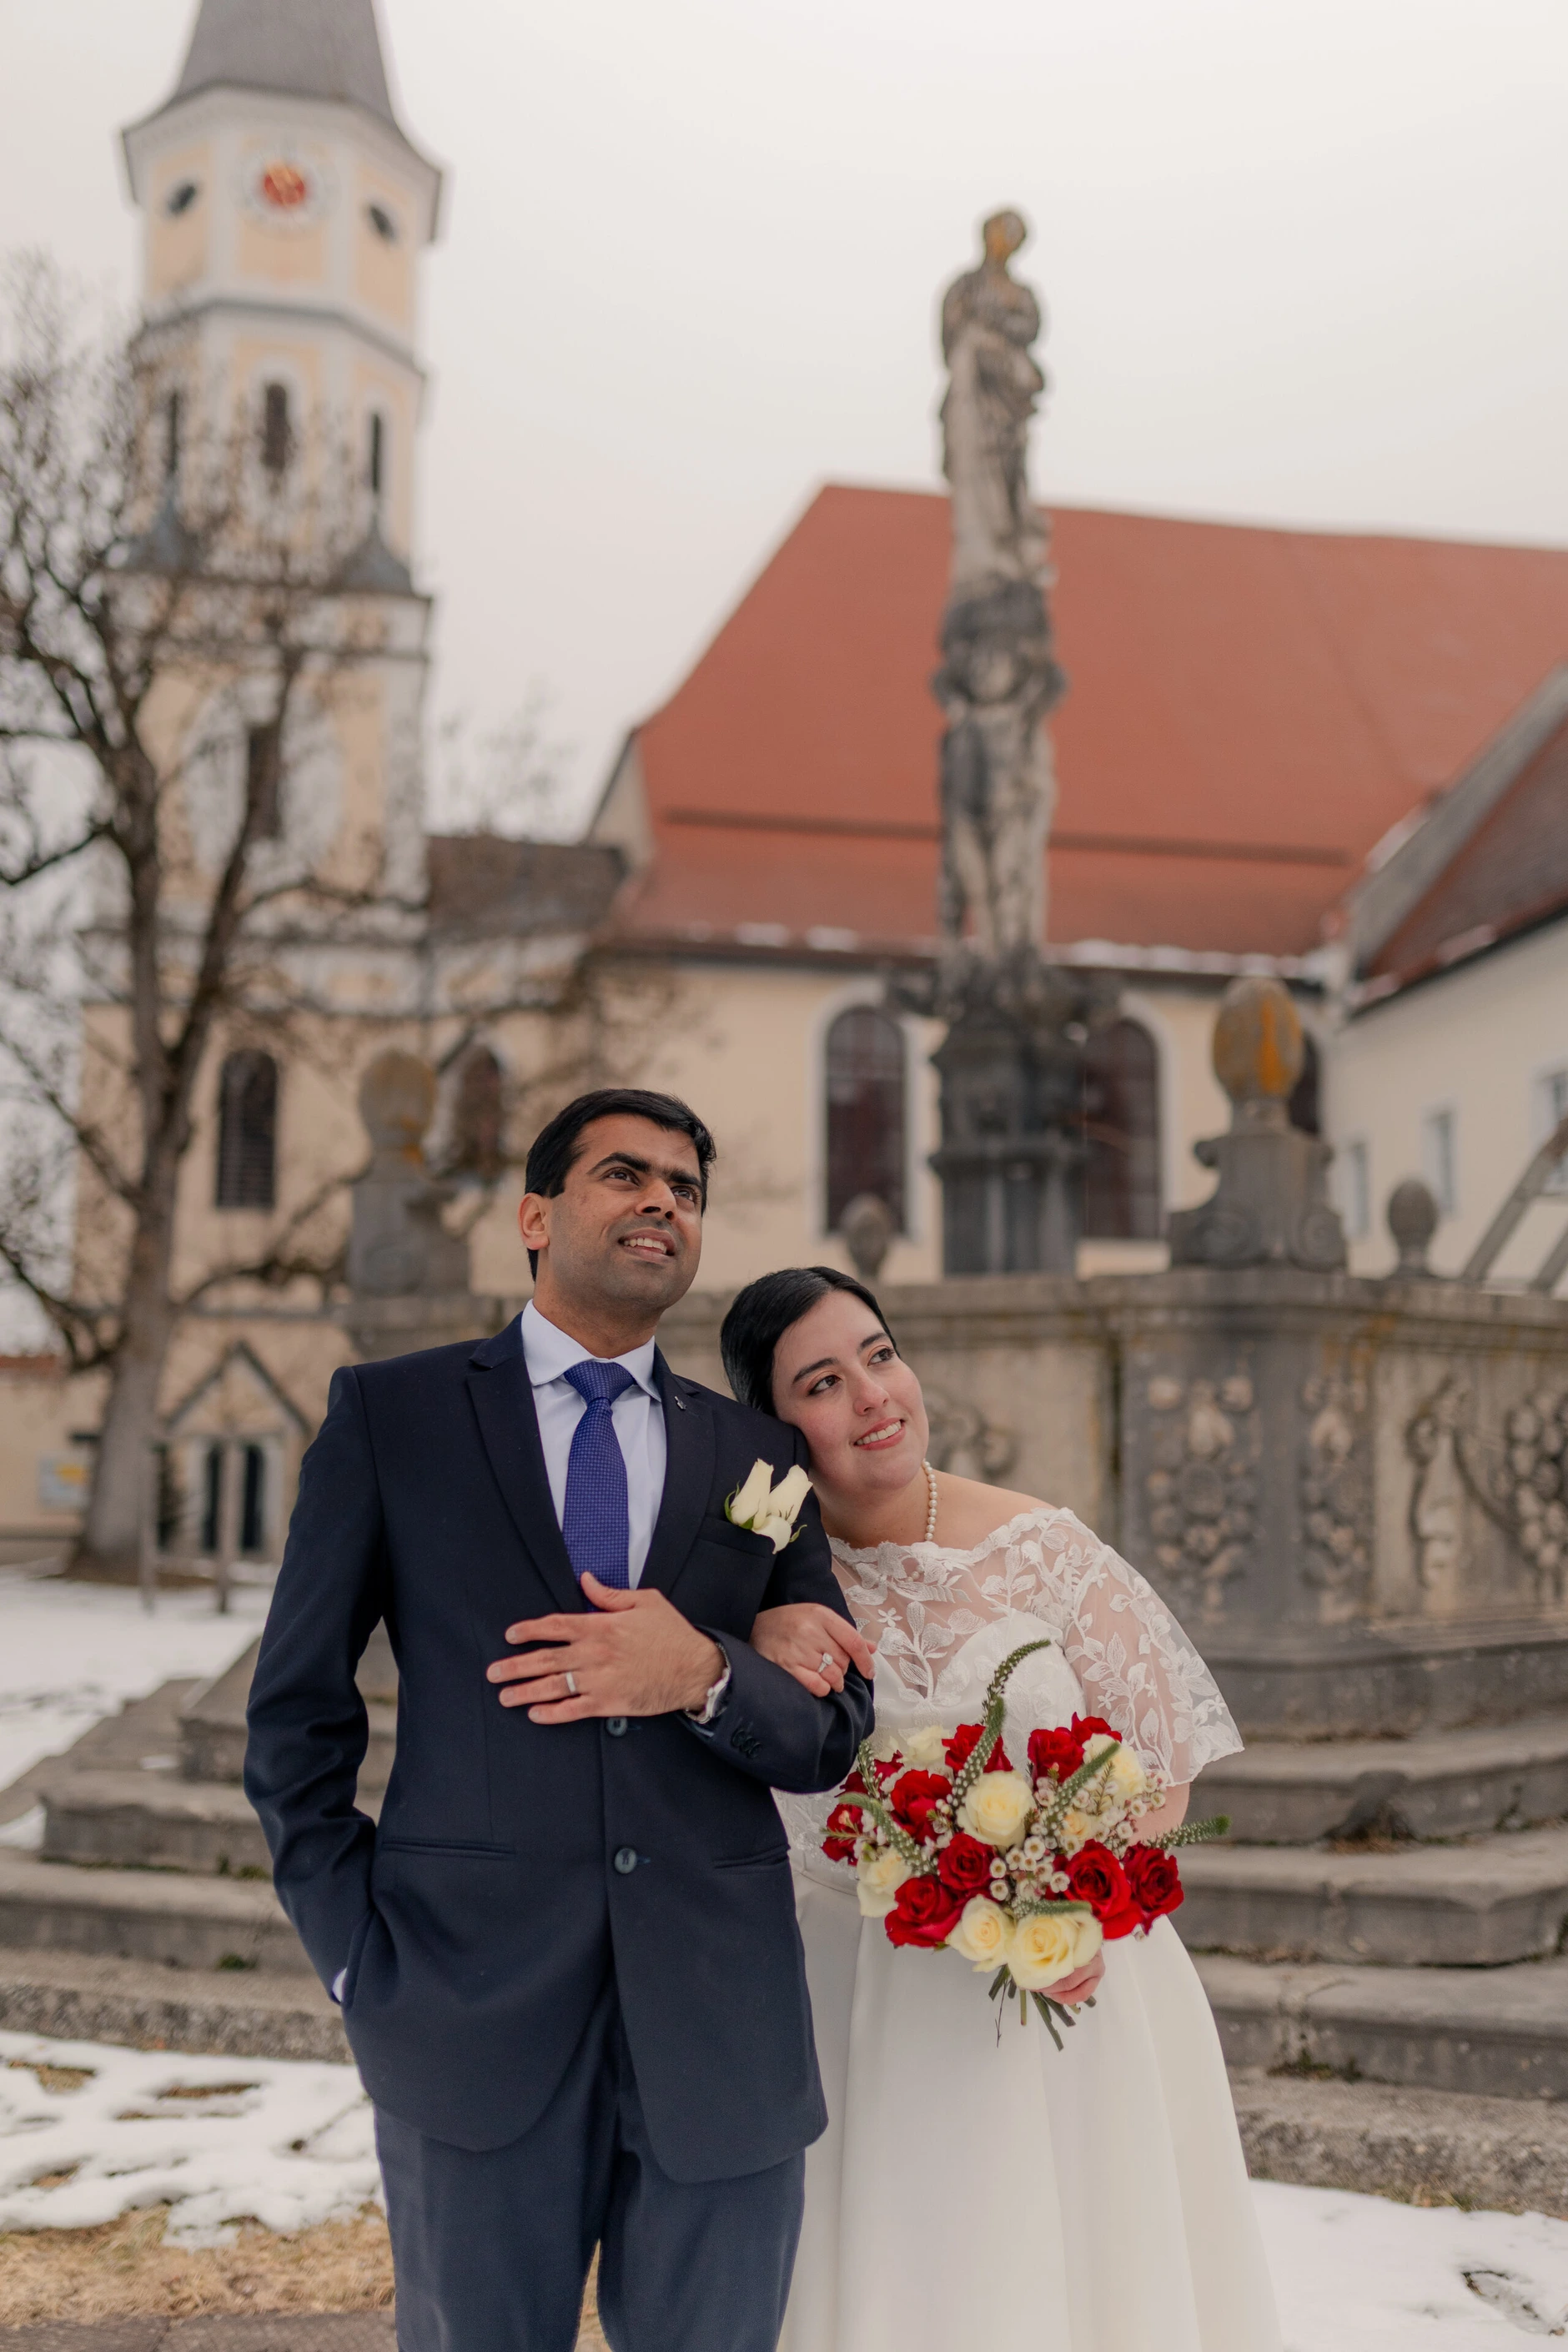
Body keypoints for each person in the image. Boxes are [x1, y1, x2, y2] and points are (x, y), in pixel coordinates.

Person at [244, 1092, 874, 2352]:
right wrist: (359, 1959)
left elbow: (831, 1729)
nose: (662, 1203)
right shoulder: (395, 1414)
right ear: (536, 1216)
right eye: (626, 1176)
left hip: (720, 2025)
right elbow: (296, 1714)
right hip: (464, 2013)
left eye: (686, 1188)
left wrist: (700, 1669)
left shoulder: (757, 1453)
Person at [722, 1264, 1283, 2352]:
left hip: (1070, 1983)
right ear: (777, 1426)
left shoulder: (1042, 1548)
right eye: (825, 1382)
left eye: (881, 1356)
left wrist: (1062, 1908)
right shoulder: (764, 1589)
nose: (875, 1395)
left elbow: (1163, 1761)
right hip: (844, 1994)